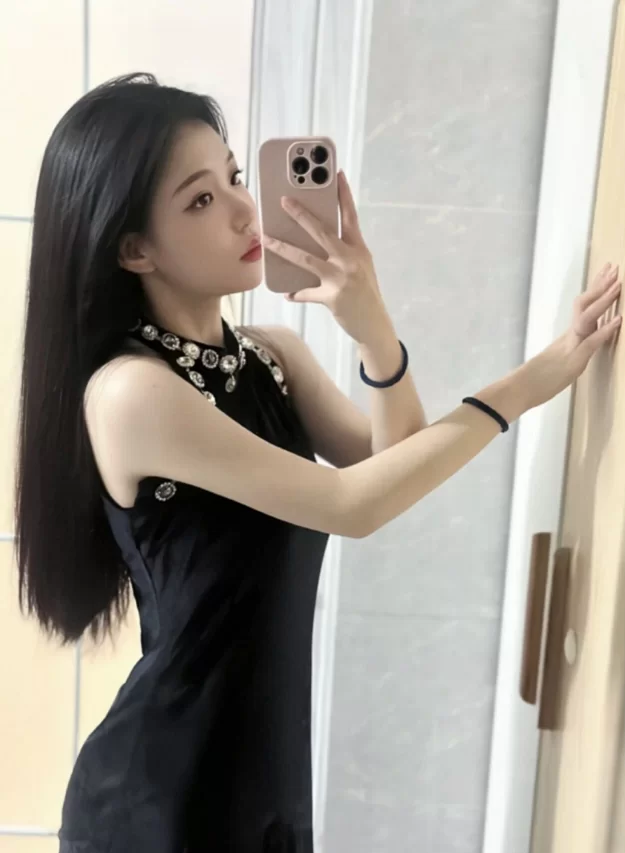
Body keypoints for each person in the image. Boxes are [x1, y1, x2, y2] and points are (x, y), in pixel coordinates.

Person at [14, 72, 621, 853]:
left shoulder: (272, 357)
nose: (244, 210)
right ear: (134, 249)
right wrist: (530, 383)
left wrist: (373, 330)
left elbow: (390, 464)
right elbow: (350, 505)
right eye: (200, 201)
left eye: (235, 177)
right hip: (159, 803)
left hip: (266, 787)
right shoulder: (132, 392)